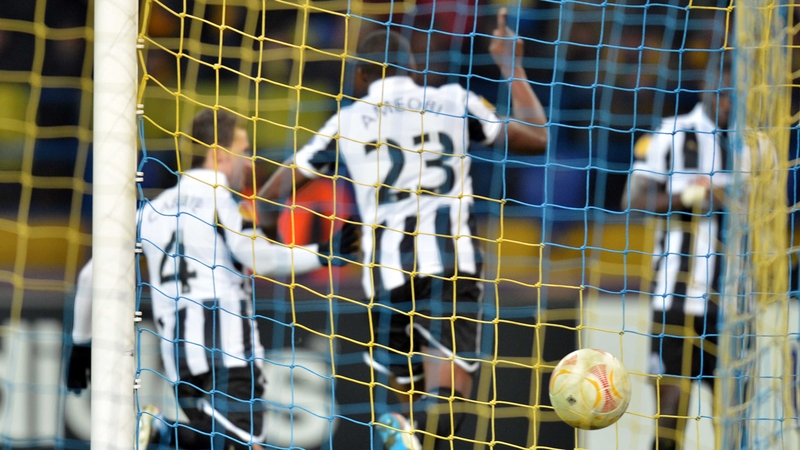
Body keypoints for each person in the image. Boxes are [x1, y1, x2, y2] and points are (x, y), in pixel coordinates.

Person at [257, 8, 547, 450]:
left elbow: (270, 196)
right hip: (452, 264)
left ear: (361, 77)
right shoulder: (454, 101)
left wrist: (270, 242)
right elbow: (536, 135)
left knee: (406, 400)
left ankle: (401, 428)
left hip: (386, 275)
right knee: (450, 394)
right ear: (412, 68)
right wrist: (512, 65)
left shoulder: (346, 121)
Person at [65, 109, 358, 450]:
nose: (249, 162)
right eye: (244, 150)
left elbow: (90, 275)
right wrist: (324, 252)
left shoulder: (150, 210)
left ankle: (167, 433)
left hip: (179, 358)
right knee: (240, 441)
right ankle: (162, 431)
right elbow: (258, 257)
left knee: (233, 443)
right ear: (219, 153)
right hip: (227, 348)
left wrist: (81, 344)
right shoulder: (223, 201)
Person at [620, 55, 733, 450]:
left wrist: (729, 198)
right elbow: (632, 200)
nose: (728, 101)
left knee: (732, 418)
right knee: (670, 414)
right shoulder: (671, 132)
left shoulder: (756, 145)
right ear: (707, 86)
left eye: (735, 94)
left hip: (735, 303)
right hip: (675, 296)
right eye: (723, 91)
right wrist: (687, 196)